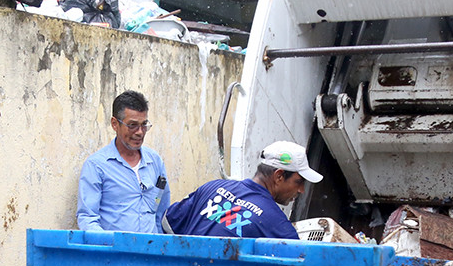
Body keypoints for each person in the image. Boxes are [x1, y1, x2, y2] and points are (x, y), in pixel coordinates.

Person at [165, 141, 322, 238]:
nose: (301, 190)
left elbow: (168, 223)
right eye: (299, 182)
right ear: (279, 176)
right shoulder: (277, 225)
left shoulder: (213, 187)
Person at [76, 90, 169, 233]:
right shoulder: (96, 166)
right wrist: (112, 246)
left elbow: (161, 213)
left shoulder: (155, 161)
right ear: (115, 124)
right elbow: (88, 219)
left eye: (144, 125)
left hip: (151, 252)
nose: (139, 132)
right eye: (132, 125)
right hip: (114, 253)